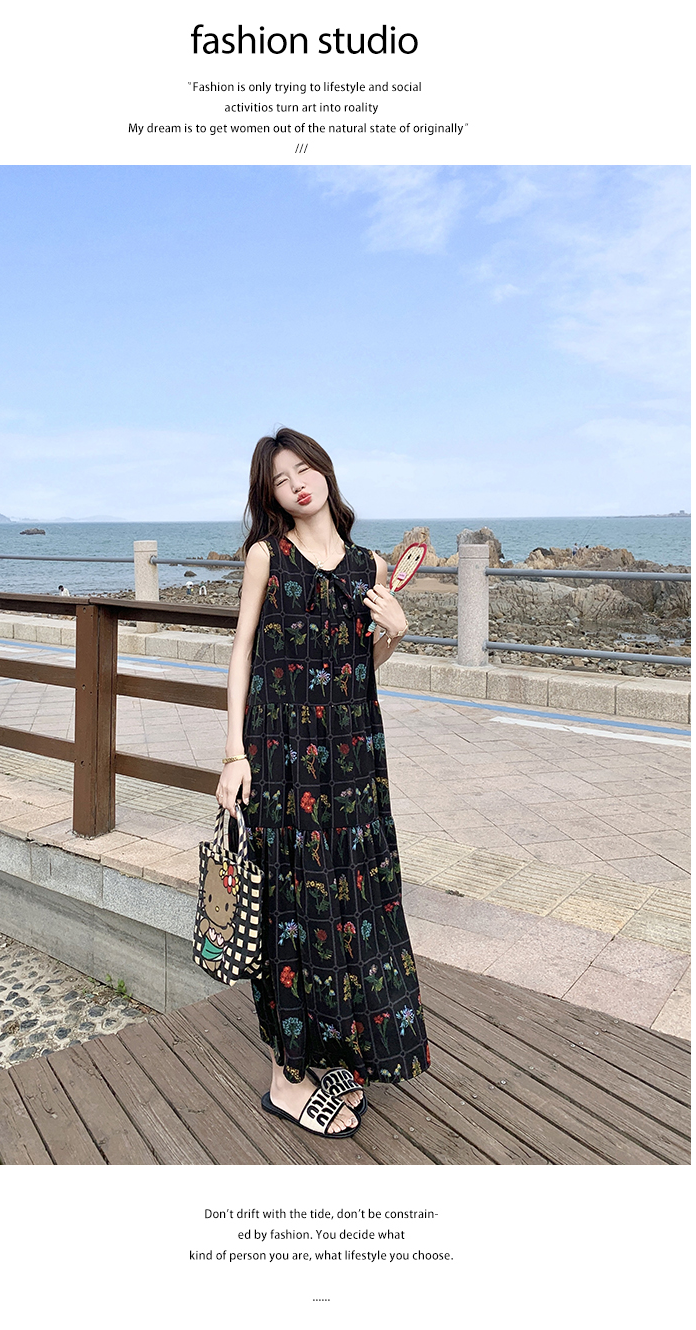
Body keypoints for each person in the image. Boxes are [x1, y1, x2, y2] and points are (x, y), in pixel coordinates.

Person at [216, 427, 431, 1140]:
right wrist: (233, 753)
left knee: (350, 902)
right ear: (271, 495)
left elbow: (361, 665)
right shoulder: (266, 556)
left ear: (326, 473)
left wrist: (395, 630)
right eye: (282, 480)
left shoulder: (370, 566)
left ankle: (337, 1050)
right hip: (281, 759)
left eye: (305, 469)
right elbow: (242, 651)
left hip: (351, 760)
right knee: (290, 905)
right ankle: (286, 1076)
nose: (298, 484)